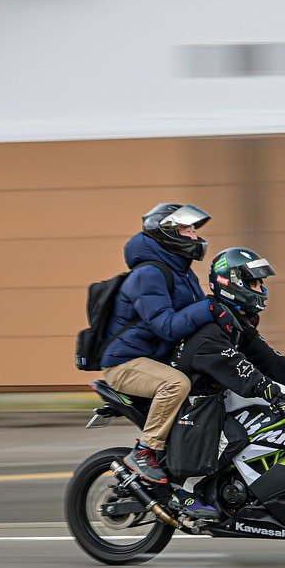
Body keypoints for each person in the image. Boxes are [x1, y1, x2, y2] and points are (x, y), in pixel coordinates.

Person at [100, 202, 222, 485]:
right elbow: (166, 327)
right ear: (167, 232)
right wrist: (210, 308)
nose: (194, 235)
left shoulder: (182, 273)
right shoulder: (149, 274)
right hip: (126, 364)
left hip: (155, 359)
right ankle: (145, 451)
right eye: (187, 228)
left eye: (193, 228)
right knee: (176, 384)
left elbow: (200, 317)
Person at [171, 246, 285, 413]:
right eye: (254, 283)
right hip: (194, 414)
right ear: (233, 283)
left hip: (216, 403)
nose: (261, 289)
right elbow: (237, 368)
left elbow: (269, 359)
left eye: (261, 283)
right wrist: (274, 393)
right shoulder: (209, 331)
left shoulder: (236, 324)